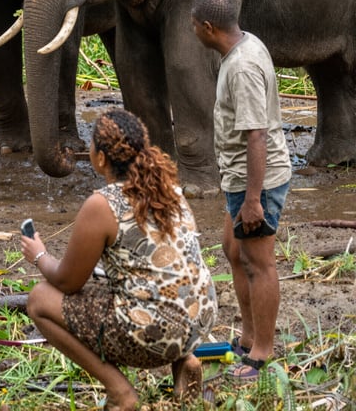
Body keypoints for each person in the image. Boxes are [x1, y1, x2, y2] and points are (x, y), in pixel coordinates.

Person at [21, 109, 218, 411]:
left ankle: (119, 391)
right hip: (199, 318)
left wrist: (39, 255)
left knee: (39, 300)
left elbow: (67, 282)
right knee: (149, 282)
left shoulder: (102, 204)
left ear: (100, 158)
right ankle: (185, 360)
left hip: (153, 331)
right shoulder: (171, 189)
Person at [191, 0, 292, 381]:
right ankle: (249, 337)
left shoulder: (243, 68)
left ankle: (262, 353)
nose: (192, 31)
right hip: (239, 177)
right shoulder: (243, 47)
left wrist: (253, 201)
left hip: (258, 183)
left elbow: (256, 137)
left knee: (258, 263)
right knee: (234, 251)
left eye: (193, 25)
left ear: (208, 28)